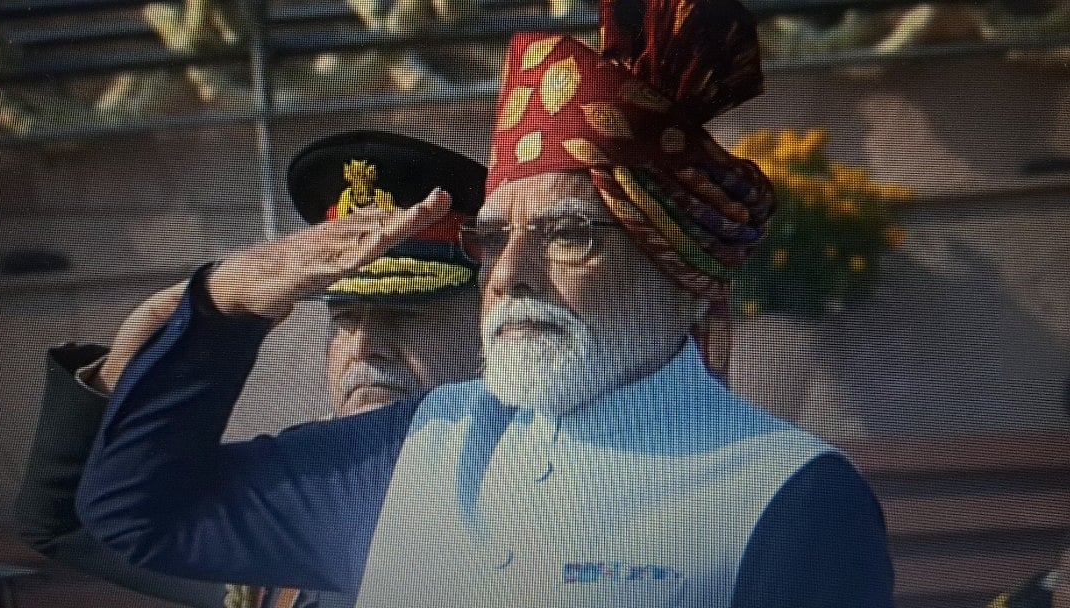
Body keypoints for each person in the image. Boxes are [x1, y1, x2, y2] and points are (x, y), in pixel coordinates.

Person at [78, 1, 894, 606]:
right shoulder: (417, 446)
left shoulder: (784, 491)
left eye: (569, 234)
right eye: (497, 239)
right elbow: (139, 511)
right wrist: (223, 308)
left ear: (678, 269)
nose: (510, 275)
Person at [19, 131, 486, 608]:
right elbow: (69, 527)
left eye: (407, 318)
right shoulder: (297, 485)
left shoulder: (530, 484)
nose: (365, 350)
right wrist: (133, 362)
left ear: (495, 333)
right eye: (346, 320)